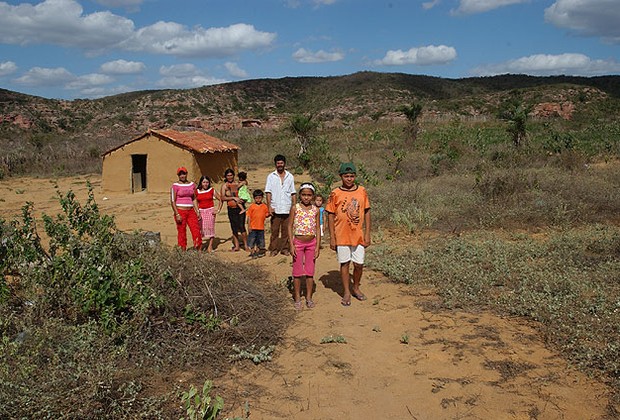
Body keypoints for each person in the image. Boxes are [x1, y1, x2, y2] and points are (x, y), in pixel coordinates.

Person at [325, 162, 371, 307]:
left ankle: (356, 287)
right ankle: (346, 291)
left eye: (352, 176)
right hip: (341, 235)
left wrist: (368, 233)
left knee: (359, 264)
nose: (349, 179)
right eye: (346, 176)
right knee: (344, 263)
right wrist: (332, 237)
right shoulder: (335, 193)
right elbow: (330, 214)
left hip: (358, 235)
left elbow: (367, 211)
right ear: (341, 177)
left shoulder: (362, 191)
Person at [288, 183, 321, 309]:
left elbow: (317, 228)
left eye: (309, 195)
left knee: (309, 271)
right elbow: (289, 226)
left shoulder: (315, 210)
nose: (306, 197)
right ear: (300, 195)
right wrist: (291, 245)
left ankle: (308, 297)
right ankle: (297, 297)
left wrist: (317, 246)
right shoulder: (295, 208)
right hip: (298, 243)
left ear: (312, 196)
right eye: (304, 195)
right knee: (297, 272)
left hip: (311, 243)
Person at [265, 154, 296, 256]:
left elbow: (293, 193)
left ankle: (285, 248)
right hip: (275, 208)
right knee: (274, 230)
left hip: (287, 208)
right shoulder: (271, 177)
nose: (280, 165)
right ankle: (273, 249)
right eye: (278, 163)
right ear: (275, 164)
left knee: (286, 230)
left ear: (284, 164)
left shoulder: (290, 176)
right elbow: (268, 192)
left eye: (281, 163)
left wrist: (294, 206)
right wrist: (269, 207)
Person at [170, 166, 202, 250]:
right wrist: (177, 213)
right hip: (180, 211)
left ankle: (198, 247)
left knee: (196, 230)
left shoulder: (192, 185)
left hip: (191, 211)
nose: (182, 176)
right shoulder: (175, 186)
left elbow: (194, 198)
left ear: (186, 174)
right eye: (180, 174)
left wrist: (197, 211)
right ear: (178, 175)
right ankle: (182, 249)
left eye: (183, 173)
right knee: (182, 231)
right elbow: (173, 200)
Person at [218, 168, 248, 251]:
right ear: (225, 176)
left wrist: (242, 199)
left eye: (231, 175)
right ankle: (237, 246)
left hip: (240, 208)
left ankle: (246, 245)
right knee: (234, 227)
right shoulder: (224, 186)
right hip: (231, 209)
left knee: (242, 227)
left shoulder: (238, 184)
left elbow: (245, 187)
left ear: (233, 176)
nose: (229, 177)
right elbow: (222, 197)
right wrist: (233, 198)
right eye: (228, 175)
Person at [196, 175, 220, 253]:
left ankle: (210, 246)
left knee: (210, 228)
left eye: (207, 182)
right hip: (201, 212)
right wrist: (197, 211)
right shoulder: (197, 191)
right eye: (204, 182)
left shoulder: (211, 190)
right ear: (201, 183)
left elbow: (221, 199)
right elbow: (194, 201)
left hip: (210, 211)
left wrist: (218, 209)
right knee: (200, 229)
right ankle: (200, 246)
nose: (205, 184)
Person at [246, 189, 270, 259]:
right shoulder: (252, 206)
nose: (258, 200)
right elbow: (249, 217)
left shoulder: (264, 206)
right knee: (252, 240)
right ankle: (253, 252)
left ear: (262, 198)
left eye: (259, 198)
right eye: (256, 198)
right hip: (253, 227)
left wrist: (271, 213)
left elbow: (266, 215)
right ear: (254, 198)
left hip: (261, 227)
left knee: (260, 240)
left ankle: (258, 251)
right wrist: (249, 226)